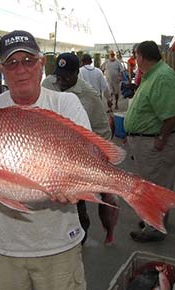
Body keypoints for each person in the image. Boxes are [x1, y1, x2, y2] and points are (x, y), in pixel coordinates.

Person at [0, 30, 89, 290]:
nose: (21, 70)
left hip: (60, 247)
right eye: (12, 63)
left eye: (28, 60)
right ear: (1, 69)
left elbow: (92, 159)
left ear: (41, 64)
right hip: (4, 250)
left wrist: (76, 188)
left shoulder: (66, 104)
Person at [42, 52, 113, 244]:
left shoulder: (88, 96)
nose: (61, 81)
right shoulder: (48, 84)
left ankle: (85, 236)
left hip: (87, 149)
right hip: (53, 151)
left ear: (77, 73)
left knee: (84, 199)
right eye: (58, 75)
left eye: (66, 76)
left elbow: (95, 133)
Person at [124, 40, 175, 242]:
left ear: (141, 56)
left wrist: (161, 138)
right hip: (145, 143)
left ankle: (154, 228)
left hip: (154, 143)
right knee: (152, 183)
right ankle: (154, 219)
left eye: (136, 55)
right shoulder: (152, 75)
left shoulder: (163, 77)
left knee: (155, 185)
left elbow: (172, 114)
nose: (135, 58)